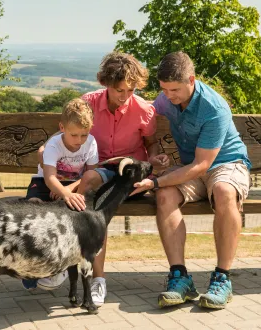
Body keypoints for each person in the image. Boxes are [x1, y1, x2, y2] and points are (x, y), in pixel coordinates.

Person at [38, 51, 169, 306]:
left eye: (131, 90)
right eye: (120, 90)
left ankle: (97, 280)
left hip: (129, 175)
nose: (125, 96)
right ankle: (68, 264)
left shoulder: (144, 110)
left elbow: (151, 144)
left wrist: (155, 159)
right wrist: (46, 154)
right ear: (105, 83)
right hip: (96, 171)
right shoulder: (87, 104)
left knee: (92, 198)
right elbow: (65, 136)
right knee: (88, 190)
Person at [131, 51, 251, 310]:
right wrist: (156, 159)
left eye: (174, 89)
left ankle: (222, 278)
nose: (169, 96)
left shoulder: (214, 108)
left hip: (227, 164)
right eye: (164, 90)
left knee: (223, 192)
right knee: (164, 196)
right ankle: (179, 277)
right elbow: (148, 112)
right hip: (191, 167)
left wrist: (155, 182)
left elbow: (203, 165)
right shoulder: (167, 99)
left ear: (191, 80)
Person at [22, 97, 99, 291]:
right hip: (46, 182)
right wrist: (63, 192)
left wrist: (69, 190)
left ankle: (60, 266)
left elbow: (91, 175)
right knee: (33, 208)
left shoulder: (91, 143)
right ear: (62, 127)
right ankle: (29, 270)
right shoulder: (54, 145)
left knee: (75, 217)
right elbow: (49, 179)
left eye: (84, 134)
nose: (79, 141)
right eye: (74, 135)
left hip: (73, 185)